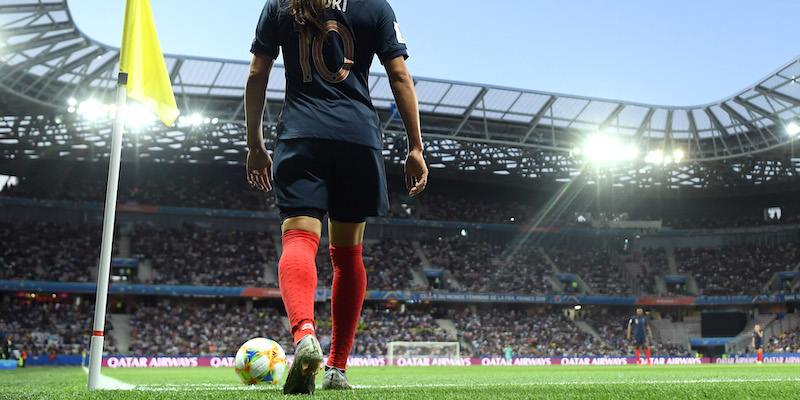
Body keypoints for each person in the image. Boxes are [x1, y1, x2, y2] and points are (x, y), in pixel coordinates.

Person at [245, 0, 427, 395]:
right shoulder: (375, 6)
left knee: (298, 240)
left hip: (301, 134)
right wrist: (415, 147)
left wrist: (255, 143)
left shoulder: (281, 4)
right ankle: (337, 366)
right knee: (347, 257)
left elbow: (258, 73)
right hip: (357, 138)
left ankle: (305, 334)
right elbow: (399, 76)